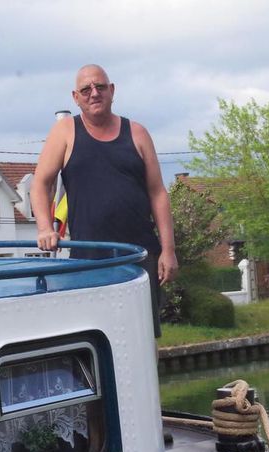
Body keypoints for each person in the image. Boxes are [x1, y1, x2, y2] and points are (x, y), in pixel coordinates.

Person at [31, 64, 178, 337]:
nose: (94, 93)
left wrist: (168, 250)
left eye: (100, 87)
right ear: (75, 97)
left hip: (138, 257)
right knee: (96, 336)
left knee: (143, 339)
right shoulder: (65, 132)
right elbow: (40, 183)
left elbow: (158, 192)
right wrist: (44, 227)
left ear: (112, 90)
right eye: (86, 89)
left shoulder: (137, 133)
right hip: (89, 260)